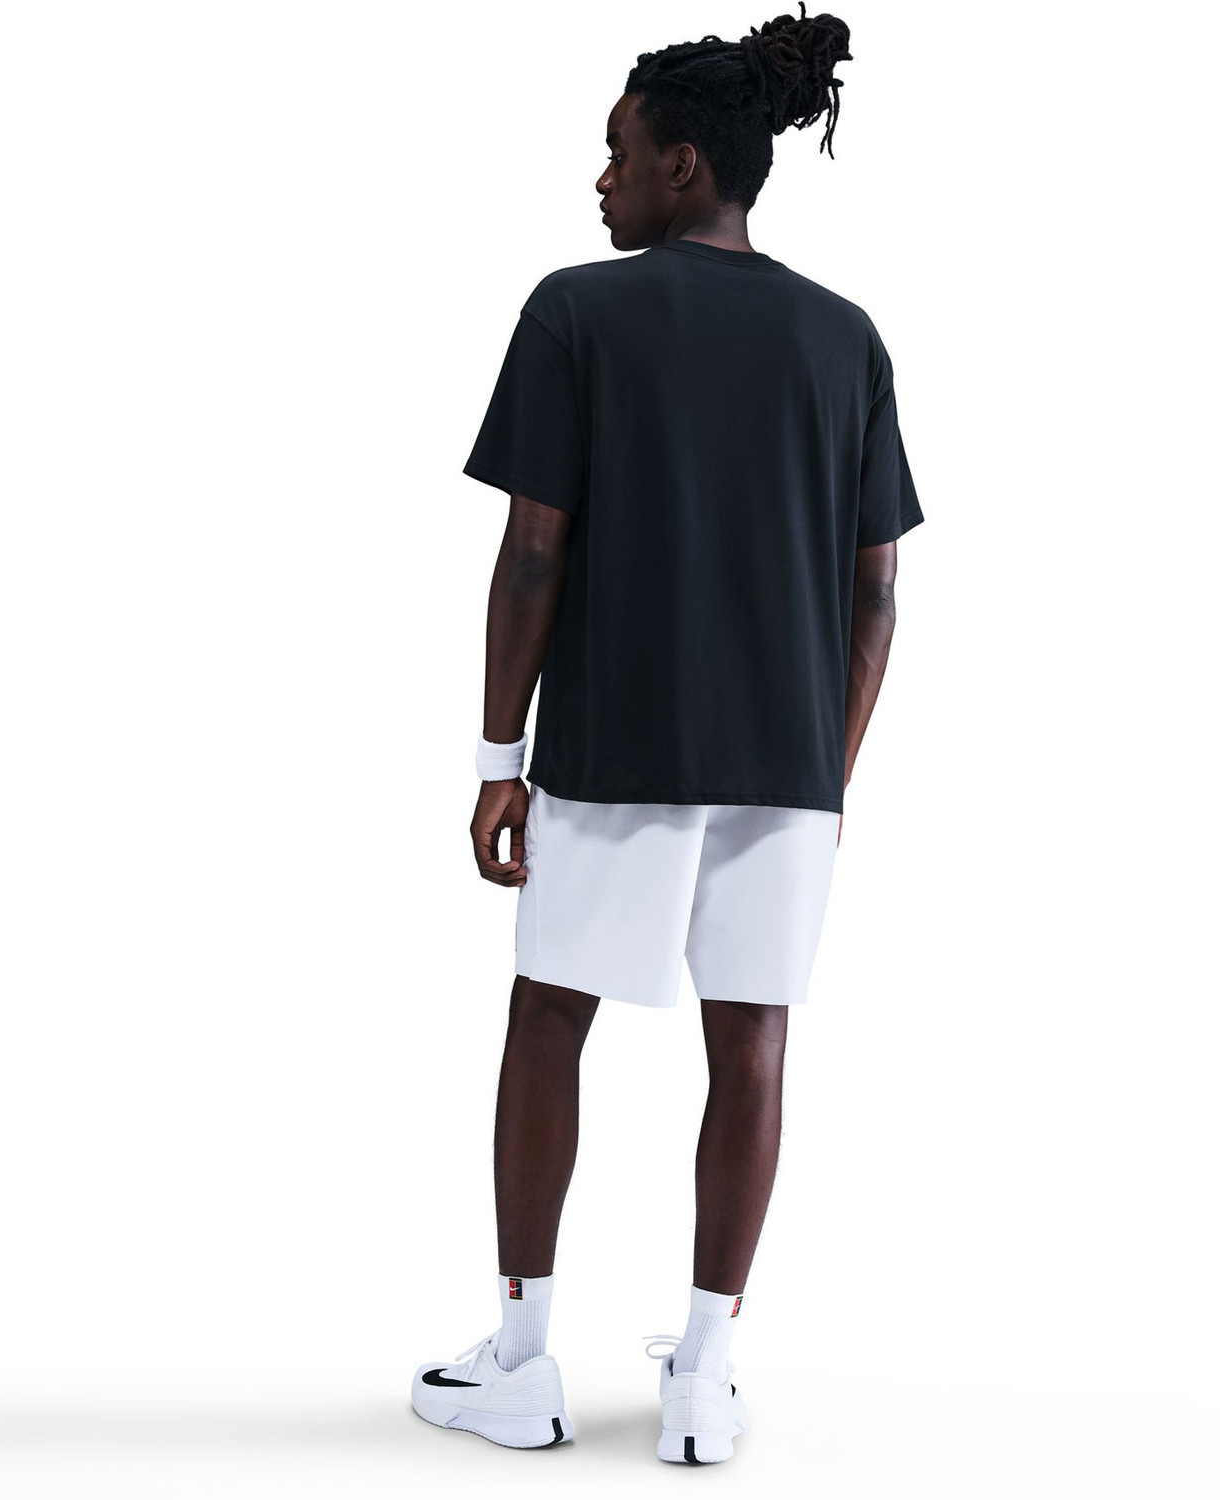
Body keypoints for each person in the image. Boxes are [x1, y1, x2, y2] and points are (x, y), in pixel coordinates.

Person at [411, 4, 923, 1464]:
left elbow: (532, 554)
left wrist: (499, 761)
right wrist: (824, 777)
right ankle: (704, 1375)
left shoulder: (577, 310)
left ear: (683, 164)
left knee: (548, 1020)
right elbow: (879, 593)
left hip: (616, 748)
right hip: (786, 771)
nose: (601, 177)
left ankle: (522, 1363)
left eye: (618, 151)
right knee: (752, 1044)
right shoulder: (846, 338)